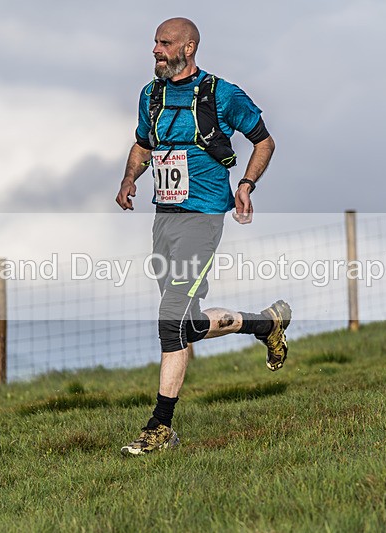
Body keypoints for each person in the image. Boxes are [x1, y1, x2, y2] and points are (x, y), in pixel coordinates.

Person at [115, 18, 289, 455]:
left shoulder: (221, 94)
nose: (156, 49)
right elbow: (142, 144)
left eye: (165, 43)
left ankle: (160, 427)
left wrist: (246, 184)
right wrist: (129, 179)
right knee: (186, 325)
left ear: (188, 47)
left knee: (171, 317)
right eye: (154, 42)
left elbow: (263, 141)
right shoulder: (150, 95)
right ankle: (266, 324)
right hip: (165, 218)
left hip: (203, 218)